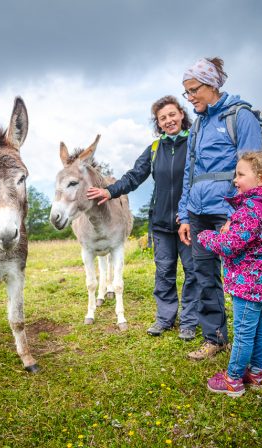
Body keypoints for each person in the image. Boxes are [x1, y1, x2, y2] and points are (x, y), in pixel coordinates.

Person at [86, 96, 200, 340]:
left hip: (190, 221)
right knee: (164, 271)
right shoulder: (155, 149)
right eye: (162, 118)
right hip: (160, 224)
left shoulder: (195, 144)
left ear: (182, 114)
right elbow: (134, 176)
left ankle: (190, 322)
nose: (168, 121)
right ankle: (165, 318)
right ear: (158, 124)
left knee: (193, 272)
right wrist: (109, 190)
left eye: (172, 115)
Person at [177, 57, 262, 360]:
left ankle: (254, 349)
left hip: (230, 213)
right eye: (185, 92)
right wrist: (185, 214)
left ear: (211, 85)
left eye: (192, 91)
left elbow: (255, 171)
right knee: (204, 275)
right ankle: (214, 337)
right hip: (199, 212)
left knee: (247, 280)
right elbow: (190, 171)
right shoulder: (199, 124)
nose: (189, 98)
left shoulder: (241, 117)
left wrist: (236, 216)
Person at [196, 151, 262, 397]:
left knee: (243, 333)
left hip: (248, 285)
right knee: (260, 329)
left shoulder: (251, 210)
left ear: (261, 178)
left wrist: (207, 236)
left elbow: (229, 244)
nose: (235, 180)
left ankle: (233, 379)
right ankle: (258, 373)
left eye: (240, 175)